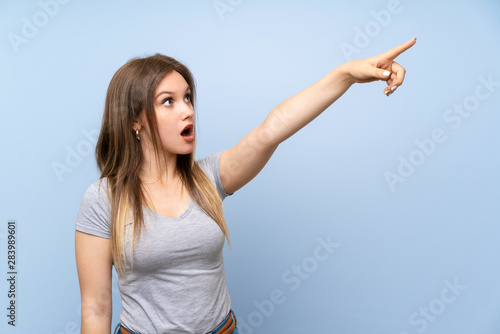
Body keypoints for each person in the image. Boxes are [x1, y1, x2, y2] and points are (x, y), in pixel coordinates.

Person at [75, 38, 416, 334]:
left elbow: (273, 128)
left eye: (188, 98)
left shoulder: (208, 179)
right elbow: (96, 308)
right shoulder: (103, 199)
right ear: (135, 120)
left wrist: (346, 74)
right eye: (169, 101)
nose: (188, 111)